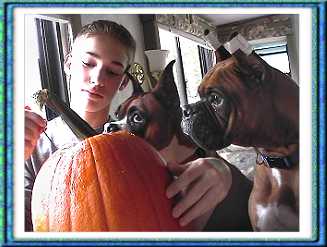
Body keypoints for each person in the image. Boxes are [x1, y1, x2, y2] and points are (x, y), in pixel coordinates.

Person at [24, 19, 250, 232]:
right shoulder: (32, 147)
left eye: (112, 71)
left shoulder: (137, 139)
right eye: (87, 62)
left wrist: (223, 173)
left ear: (123, 81)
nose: (97, 78)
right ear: (69, 63)